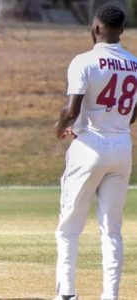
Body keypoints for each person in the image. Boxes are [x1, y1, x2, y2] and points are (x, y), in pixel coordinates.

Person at [54, 5, 137, 300]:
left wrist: (59, 126)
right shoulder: (135, 62)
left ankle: (67, 294)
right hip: (122, 147)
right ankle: (110, 296)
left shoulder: (84, 61)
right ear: (121, 31)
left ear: (97, 28)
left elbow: (72, 109)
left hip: (90, 145)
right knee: (112, 230)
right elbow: (132, 116)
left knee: (69, 226)